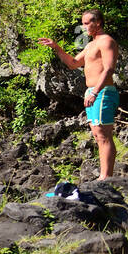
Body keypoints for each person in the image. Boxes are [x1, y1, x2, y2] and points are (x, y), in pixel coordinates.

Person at [40, 9, 122, 180]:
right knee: (98, 135)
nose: (83, 27)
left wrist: (96, 92)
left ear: (98, 22)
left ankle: (106, 177)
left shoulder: (107, 41)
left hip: (103, 92)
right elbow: (73, 63)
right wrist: (56, 47)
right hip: (92, 92)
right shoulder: (91, 44)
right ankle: (105, 175)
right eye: (82, 23)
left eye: (86, 23)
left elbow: (109, 69)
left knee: (103, 134)